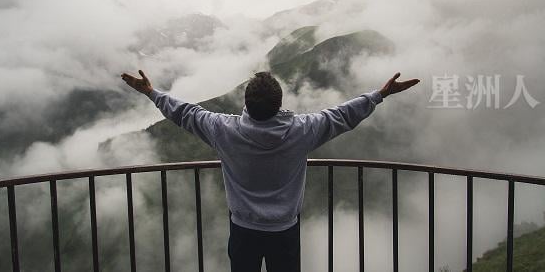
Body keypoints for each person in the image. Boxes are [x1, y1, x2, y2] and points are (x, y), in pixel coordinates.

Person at [121, 69, 420, 272]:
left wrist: (151, 92)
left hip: (242, 230)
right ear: (279, 105)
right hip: (285, 231)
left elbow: (185, 113)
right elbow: (342, 116)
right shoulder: (303, 131)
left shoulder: (222, 130)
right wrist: (379, 94)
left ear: (247, 105)